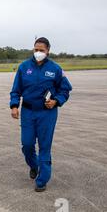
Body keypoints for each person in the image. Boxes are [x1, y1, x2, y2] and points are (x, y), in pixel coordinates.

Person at [10, 37, 72, 192]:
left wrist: (56, 101)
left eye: (41, 50)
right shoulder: (24, 67)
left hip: (47, 113)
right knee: (27, 144)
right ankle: (34, 165)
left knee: (44, 146)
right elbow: (16, 90)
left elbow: (65, 89)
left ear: (48, 51)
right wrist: (14, 105)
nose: (38, 52)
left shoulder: (56, 69)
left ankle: (42, 179)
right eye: (36, 49)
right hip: (28, 111)